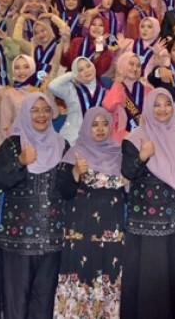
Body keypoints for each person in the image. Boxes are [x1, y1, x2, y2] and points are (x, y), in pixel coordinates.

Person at [121, 88, 175, 319]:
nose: (163, 109)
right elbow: (127, 172)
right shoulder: (135, 138)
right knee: (151, 283)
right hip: (147, 225)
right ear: (148, 108)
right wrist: (142, 156)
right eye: (157, 104)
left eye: (167, 104)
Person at [0, 93, 69, 319]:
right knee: (15, 303)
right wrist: (20, 162)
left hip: (51, 239)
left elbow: (68, 191)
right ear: (25, 114)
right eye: (34, 110)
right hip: (17, 241)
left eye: (45, 110)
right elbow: (1, 181)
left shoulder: (62, 145)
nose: (41, 115)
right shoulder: (11, 145)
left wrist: (75, 176)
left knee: (44, 303)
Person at [53, 107, 125, 318]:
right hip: (81, 234)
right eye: (94, 124)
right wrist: (75, 172)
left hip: (111, 234)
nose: (100, 129)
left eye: (105, 124)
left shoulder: (119, 154)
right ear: (86, 127)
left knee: (108, 280)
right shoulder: (73, 154)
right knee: (80, 279)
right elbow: (63, 192)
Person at [49, 56, 108, 144]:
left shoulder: (104, 91)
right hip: (73, 138)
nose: (86, 71)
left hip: (97, 138)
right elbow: (52, 86)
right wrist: (72, 75)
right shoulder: (70, 89)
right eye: (80, 70)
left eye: (88, 66)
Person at [103, 52, 152, 141]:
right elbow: (109, 107)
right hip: (120, 139)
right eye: (131, 64)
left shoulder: (148, 90)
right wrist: (117, 84)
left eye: (138, 66)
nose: (135, 68)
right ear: (122, 65)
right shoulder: (114, 88)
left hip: (144, 139)